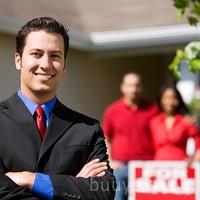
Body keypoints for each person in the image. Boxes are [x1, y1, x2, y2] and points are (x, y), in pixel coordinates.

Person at [0, 17, 115, 200]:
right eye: (36, 54)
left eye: (55, 56)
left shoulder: (87, 129)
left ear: (64, 65)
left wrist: (32, 180)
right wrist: (71, 185)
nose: (45, 65)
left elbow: (103, 192)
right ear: (18, 60)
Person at [102, 72, 158, 200]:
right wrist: (110, 160)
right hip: (120, 167)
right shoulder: (112, 110)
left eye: (137, 85)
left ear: (142, 87)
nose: (133, 89)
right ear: (122, 87)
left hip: (146, 167)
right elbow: (106, 138)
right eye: (130, 85)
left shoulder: (153, 109)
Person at [150, 84, 200, 161]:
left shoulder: (185, 122)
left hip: (180, 167)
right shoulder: (154, 122)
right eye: (166, 98)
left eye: (173, 98)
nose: (170, 102)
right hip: (158, 167)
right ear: (160, 100)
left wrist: (194, 159)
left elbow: (198, 142)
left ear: (178, 101)